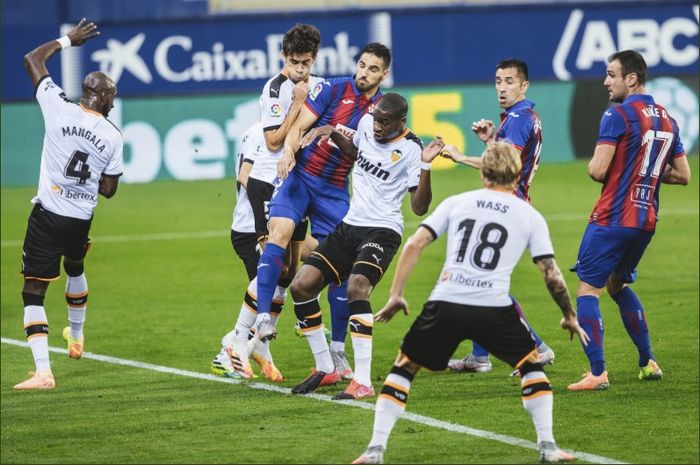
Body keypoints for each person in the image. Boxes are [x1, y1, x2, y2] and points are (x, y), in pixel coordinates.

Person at [352, 141, 588, 465]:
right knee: (531, 367)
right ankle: (548, 447)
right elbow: (551, 274)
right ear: (517, 173)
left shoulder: (457, 203)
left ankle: (374, 450)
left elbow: (415, 243)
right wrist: (568, 314)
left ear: (483, 173)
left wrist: (396, 294)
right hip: (494, 306)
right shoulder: (528, 215)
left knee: (404, 367)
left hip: (447, 300)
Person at [288, 93, 444, 398]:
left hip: (383, 230)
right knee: (301, 285)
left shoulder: (412, 149)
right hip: (350, 226)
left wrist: (425, 167)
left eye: (384, 122)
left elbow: (420, 207)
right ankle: (326, 368)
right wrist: (333, 131)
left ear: (401, 121)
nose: (377, 126)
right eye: (375, 118)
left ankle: (362, 381)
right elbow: (356, 152)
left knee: (357, 287)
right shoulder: (367, 124)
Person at [251, 43, 391, 366]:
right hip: (301, 178)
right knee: (279, 234)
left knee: (341, 267)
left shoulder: (382, 112)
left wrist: (336, 136)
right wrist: (288, 153)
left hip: (335, 190)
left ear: (384, 74)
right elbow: (299, 124)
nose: (363, 72)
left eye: (373, 69)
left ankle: (338, 350)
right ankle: (262, 320)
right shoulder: (332, 88)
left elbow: (362, 155)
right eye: (362, 64)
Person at [566, 50, 691, 391]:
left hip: (612, 217)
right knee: (617, 285)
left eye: (611, 74)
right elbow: (683, 175)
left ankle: (597, 372)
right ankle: (648, 361)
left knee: (587, 291)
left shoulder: (617, 115)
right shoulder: (668, 119)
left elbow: (597, 170)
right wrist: (645, 172)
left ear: (631, 78)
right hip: (646, 219)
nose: (606, 81)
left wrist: (625, 167)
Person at [14, 19, 123, 390]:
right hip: (80, 218)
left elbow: (32, 58)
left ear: (83, 93)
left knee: (33, 290)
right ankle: (76, 336)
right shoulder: (113, 134)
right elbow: (109, 189)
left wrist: (68, 40)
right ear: (105, 99)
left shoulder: (58, 107)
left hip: (48, 213)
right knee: (75, 264)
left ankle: (44, 371)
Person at [211, 24, 323, 381]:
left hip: (294, 186)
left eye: (306, 63)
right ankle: (235, 342)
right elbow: (274, 141)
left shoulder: (316, 85)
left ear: (314, 58)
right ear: (283, 57)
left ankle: (253, 343)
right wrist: (299, 104)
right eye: (294, 62)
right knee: (271, 269)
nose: (300, 69)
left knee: (287, 274)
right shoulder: (275, 89)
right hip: (267, 186)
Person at [441, 58, 554, 374]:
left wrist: (461, 157)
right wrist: (491, 141)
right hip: (511, 205)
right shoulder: (521, 117)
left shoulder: (518, 118)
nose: (501, 87)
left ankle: (536, 347)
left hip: (508, 208)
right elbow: (509, 158)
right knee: (480, 278)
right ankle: (479, 356)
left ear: (524, 85)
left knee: (485, 281)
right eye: (498, 81)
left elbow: (506, 167)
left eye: (509, 81)